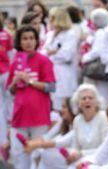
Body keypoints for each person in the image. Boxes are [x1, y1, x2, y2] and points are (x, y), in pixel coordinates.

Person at [6, 25, 56, 169]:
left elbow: (51, 87)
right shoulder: (16, 62)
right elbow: (10, 92)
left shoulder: (44, 60)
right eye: (25, 39)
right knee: (19, 154)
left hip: (39, 116)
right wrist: (15, 83)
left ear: (36, 41)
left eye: (31, 38)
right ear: (19, 42)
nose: (28, 42)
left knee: (39, 155)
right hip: (19, 116)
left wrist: (31, 82)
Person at [41, 7, 78, 111]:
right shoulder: (50, 35)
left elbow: (66, 55)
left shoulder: (70, 35)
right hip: (50, 74)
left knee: (64, 107)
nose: (49, 21)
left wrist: (50, 54)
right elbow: (42, 53)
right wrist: (52, 52)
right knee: (52, 107)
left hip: (64, 74)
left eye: (51, 18)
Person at [24, 98, 76, 169]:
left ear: (72, 109)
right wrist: (30, 143)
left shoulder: (78, 126)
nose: (61, 110)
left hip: (67, 159)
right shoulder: (62, 122)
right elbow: (46, 137)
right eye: (61, 107)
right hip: (49, 161)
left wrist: (36, 145)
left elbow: (60, 142)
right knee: (37, 153)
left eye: (64, 107)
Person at [65, 84, 108, 166]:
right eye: (84, 98)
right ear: (78, 103)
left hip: (100, 159)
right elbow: (75, 146)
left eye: (90, 98)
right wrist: (72, 154)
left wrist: (81, 153)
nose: (87, 101)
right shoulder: (77, 120)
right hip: (81, 160)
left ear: (96, 102)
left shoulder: (103, 117)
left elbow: (106, 148)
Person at [81, 8, 108, 107]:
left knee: (102, 96)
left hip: (99, 69)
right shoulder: (106, 31)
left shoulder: (100, 32)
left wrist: (84, 58)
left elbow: (97, 51)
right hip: (104, 68)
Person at [0, 17, 13, 148]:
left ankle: (3, 139)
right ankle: (6, 139)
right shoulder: (6, 34)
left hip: (4, 72)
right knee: (8, 103)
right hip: (5, 71)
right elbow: (10, 55)